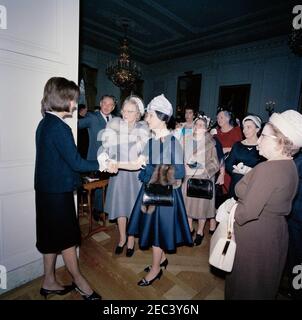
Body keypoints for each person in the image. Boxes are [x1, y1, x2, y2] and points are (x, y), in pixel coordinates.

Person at [107, 94, 193, 286]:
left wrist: (155, 172)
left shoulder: (173, 142)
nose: (147, 119)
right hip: (152, 193)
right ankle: (161, 260)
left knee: (157, 233)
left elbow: (179, 172)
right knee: (156, 231)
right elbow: (137, 164)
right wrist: (116, 164)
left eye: (150, 116)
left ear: (162, 118)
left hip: (166, 196)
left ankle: (155, 270)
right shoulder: (152, 142)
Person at [35, 77, 101, 300]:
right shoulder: (60, 127)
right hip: (56, 195)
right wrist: (101, 164)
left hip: (47, 191)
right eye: (73, 99)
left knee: (51, 238)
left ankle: (49, 281)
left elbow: (57, 161)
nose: (75, 103)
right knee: (67, 238)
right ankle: (80, 282)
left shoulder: (45, 123)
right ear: (64, 99)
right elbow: (76, 162)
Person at [225, 109, 302, 300]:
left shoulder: (268, 169)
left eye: (264, 136)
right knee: (263, 287)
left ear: (280, 141)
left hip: (254, 238)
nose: (258, 140)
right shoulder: (289, 165)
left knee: (246, 288)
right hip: (274, 235)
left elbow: (246, 213)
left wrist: (230, 208)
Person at [98, 96, 149, 256]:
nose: (126, 114)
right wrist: (105, 159)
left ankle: (132, 240)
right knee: (120, 208)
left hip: (135, 175)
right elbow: (104, 148)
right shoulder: (114, 126)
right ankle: (122, 238)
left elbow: (144, 153)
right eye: (124, 110)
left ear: (138, 113)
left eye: (130, 111)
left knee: (133, 208)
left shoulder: (143, 128)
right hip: (118, 174)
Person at [181, 115, 220, 245]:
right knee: (188, 207)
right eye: (197, 124)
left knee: (202, 209)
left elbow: (216, 163)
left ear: (206, 128)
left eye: (202, 125)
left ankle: (200, 232)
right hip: (188, 177)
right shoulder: (185, 140)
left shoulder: (211, 143)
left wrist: (203, 167)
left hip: (203, 178)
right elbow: (179, 157)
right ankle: (189, 229)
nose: (199, 127)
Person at [78, 95, 116, 220]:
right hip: (95, 159)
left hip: (112, 159)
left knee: (109, 185)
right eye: (105, 103)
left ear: (114, 107)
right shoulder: (92, 117)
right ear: (100, 103)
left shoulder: (116, 119)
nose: (107, 106)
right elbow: (76, 125)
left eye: (110, 105)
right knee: (98, 187)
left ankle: (105, 209)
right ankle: (96, 210)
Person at [225, 115, 263, 198]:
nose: (245, 130)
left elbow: (265, 170)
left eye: (248, 127)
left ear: (257, 129)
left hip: (253, 186)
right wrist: (236, 170)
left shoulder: (262, 147)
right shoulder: (238, 145)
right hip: (236, 183)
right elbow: (228, 164)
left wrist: (249, 171)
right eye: (244, 127)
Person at [214, 108, 243, 199]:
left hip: (229, 168)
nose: (219, 120)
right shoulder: (216, 132)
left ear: (228, 118)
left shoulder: (236, 131)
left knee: (227, 195)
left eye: (221, 117)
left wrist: (225, 149)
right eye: (217, 118)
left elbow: (240, 149)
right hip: (217, 167)